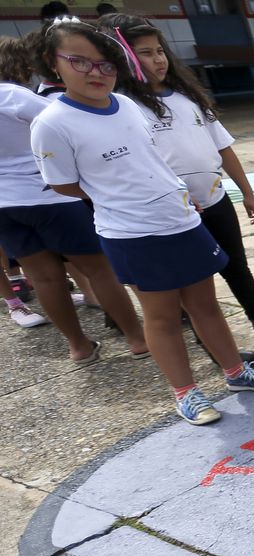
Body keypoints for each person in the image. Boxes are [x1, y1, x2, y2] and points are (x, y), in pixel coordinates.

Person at [33, 18, 254, 424]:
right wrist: (121, 199)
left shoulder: (128, 105)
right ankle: (186, 393)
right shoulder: (53, 123)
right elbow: (64, 184)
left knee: (206, 306)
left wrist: (176, 199)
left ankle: (236, 372)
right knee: (162, 316)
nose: (96, 73)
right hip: (132, 233)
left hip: (182, 219)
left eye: (106, 64)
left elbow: (151, 162)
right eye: (80, 62)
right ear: (52, 62)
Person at [105, 13, 254, 356]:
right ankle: (214, 348)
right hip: (175, 212)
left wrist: (246, 191)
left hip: (215, 199)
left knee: (237, 267)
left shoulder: (188, 96)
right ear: (124, 57)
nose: (158, 59)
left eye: (159, 50)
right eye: (145, 53)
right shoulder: (126, 108)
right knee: (191, 284)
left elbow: (222, 146)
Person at [0, 32, 146, 357]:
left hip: (4, 204)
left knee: (43, 278)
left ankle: (78, 345)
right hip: (48, 195)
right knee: (98, 269)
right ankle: (137, 337)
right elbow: (64, 119)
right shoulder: (12, 96)